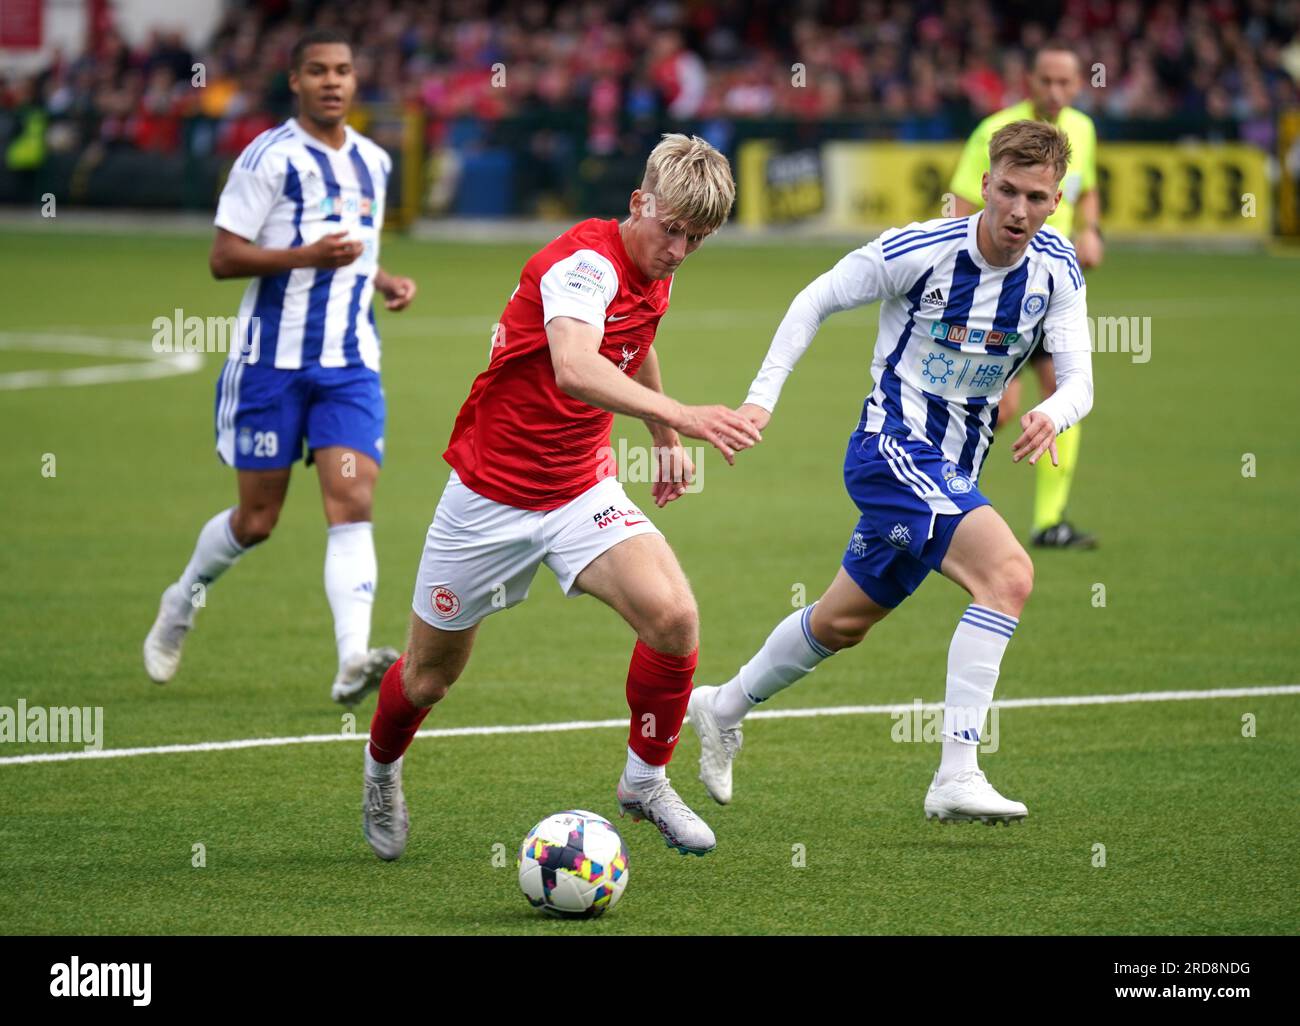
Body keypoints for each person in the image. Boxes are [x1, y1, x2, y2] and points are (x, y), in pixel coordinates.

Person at [360, 134, 762, 861]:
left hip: (579, 488)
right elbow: (576, 366)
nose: (678, 250)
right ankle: (381, 771)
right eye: (670, 230)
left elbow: (634, 342)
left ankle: (644, 782)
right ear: (639, 202)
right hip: (488, 496)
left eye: (696, 239)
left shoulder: (656, 268)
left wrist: (661, 439)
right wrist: (685, 418)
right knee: (427, 678)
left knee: (673, 618)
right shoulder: (584, 265)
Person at [690, 121, 1094, 824]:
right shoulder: (922, 249)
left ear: (1057, 199)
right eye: (1005, 191)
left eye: (1035, 196)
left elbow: (1080, 380)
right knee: (1009, 576)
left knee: (842, 622)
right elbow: (814, 298)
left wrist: (1053, 413)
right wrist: (760, 400)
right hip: (892, 449)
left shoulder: (1057, 268)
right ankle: (957, 772)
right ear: (985, 186)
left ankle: (720, 706)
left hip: (954, 469)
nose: (1018, 211)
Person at [143, 30, 417, 706]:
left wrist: (381, 278)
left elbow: (353, 245)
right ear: (295, 81)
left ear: (357, 81)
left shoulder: (375, 162)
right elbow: (223, 257)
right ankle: (182, 600)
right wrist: (304, 257)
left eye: (344, 71)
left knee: (351, 501)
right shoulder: (268, 158)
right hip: (271, 363)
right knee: (257, 520)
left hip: (349, 364)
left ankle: (352, 658)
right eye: (318, 71)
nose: (332, 81)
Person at [949, 45, 1102, 548]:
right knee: (999, 402)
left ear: (1078, 86)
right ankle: (937, 486)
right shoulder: (996, 132)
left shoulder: (1082, 130)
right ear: (1028, 80)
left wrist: (1091, 229)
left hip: (1053, 289)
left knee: (1063, 390)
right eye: (1046, 81)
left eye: (1065, 82)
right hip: (1001, 291)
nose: (1055, 91)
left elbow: (1087, 186)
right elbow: (960, 205)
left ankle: (1049, 520)